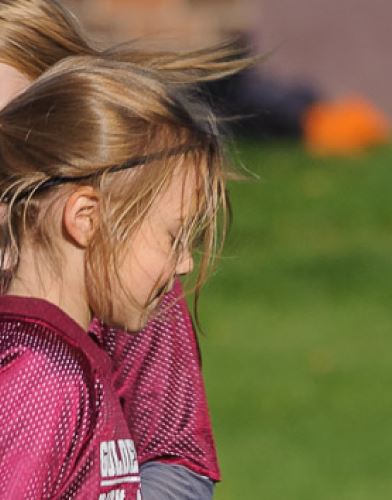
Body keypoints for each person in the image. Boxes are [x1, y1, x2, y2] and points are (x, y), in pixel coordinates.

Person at [0, 1, 250, 497]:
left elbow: (175, 456)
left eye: (16, 126)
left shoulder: (121, 273)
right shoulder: (42, 373)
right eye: (174, 238)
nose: (184, 264)